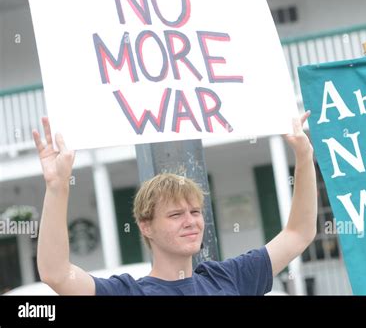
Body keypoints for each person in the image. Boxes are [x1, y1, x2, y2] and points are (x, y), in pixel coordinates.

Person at [32, 112, 317, 295]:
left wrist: (304, 157)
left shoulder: (229, 278)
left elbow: (299, 233)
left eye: (195, 211)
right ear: (146, 226)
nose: (191, 220)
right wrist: (57, 188)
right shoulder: (129, 293)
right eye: (175, 214)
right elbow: (56, 273)